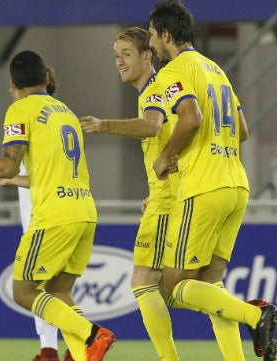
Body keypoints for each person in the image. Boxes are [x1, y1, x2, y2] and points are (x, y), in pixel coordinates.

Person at [0, 50, 115, 361]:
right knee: (58, 292)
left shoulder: (20, 109)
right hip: (84, 212)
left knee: (23, 292)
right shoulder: (64, 111)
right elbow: (47, 173)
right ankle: (84, 350)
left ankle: (92, 334)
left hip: (53, 216)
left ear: (12, 82)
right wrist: (13, 181)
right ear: (45, 78)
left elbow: (8, 166)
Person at [148, 1, 277, 360]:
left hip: (204, 187)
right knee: (211, 285)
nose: (150, 43)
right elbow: (242, 130)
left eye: (151, 34)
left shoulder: (175, 70)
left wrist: (167, 155)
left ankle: (255, 315)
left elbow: (189, 118)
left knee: (173, 288)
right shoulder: (216, 70)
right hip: (236, 184)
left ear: (166, 34)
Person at [80, 27, 182, 361]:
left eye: (126, 53)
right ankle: (249, 315)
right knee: (174, 289)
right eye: (115, 55)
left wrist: (103, 124)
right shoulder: (160, 89)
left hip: (168, 201)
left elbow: (152, 125)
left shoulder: (153, 89)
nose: (119, 62)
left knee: (142, 282)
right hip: (167, 196)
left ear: (147, 56)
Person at [0, 66, 74, 361]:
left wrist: (8, 177)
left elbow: (42, 177)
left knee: (33, 290)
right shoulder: (59, 115)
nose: (10, 90)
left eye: (13, 85)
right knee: (53, 290)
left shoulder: (27, 118)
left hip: (44, 219)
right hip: (64, 215)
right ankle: (63, 349)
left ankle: (74, 343)